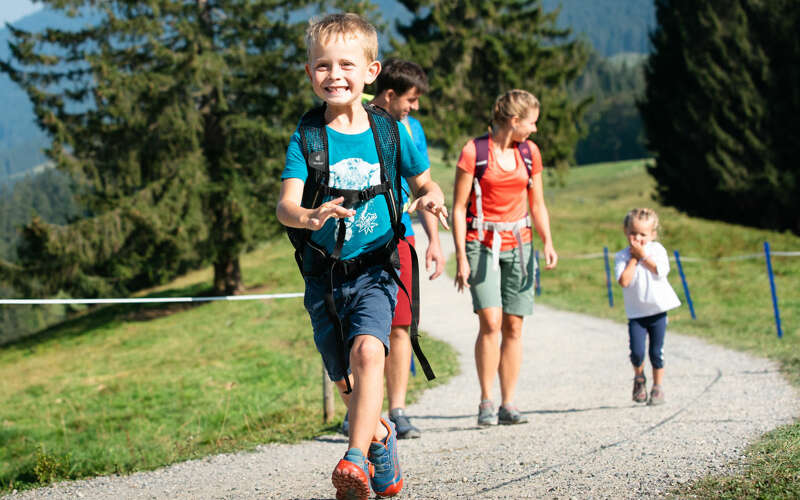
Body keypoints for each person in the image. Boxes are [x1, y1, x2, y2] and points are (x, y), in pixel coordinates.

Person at [276, 13, 448, 500]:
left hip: (377, 265)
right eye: (323, 66)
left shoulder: (392, 131)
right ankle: (379, 439)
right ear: (310, 73)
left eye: (346, 64)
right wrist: (307, 217)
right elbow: (285, 204)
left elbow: (424, 182)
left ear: (371, 72)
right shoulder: (307, 137)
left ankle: (353, 463)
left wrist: (432, 196)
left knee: (371, 351)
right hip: (325, 279)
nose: (335, 75)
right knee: (348, 383)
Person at [451, 89, 557, 426]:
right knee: (491, 322)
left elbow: (537, 203)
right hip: (481, 244)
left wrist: (547, 241)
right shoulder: (474, 152)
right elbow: (457, 208)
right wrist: (461, 258)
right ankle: (486, 399)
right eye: (531, 122)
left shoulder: (530, 153)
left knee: (514, 324)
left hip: (521, 244)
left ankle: (508, 403)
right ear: (514, 121)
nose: (534, 130)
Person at [370, 58, 444, 439]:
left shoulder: (412, 129)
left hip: (402, 237)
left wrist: (433, 240)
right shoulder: (358, 121)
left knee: (401, 327)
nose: (414, 107)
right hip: (363, 240)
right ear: (389, 94)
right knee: (362, 331)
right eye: (410, 99)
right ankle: (365, 411)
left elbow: (424, 188)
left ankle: (397, 410)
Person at [614, 208, 680, 406]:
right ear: (626, 231)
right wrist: (634, 258)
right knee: (636, 352)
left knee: (655, 352)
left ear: (652, 234)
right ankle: (639, 378)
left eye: (643, 234)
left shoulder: (657, 251)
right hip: (636, 313)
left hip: (657, 311)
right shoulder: (622, 257)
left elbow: (660, 271)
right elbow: (624, 281)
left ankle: (657, 387)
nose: (637, 238)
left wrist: (643, 255)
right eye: (633, 233)